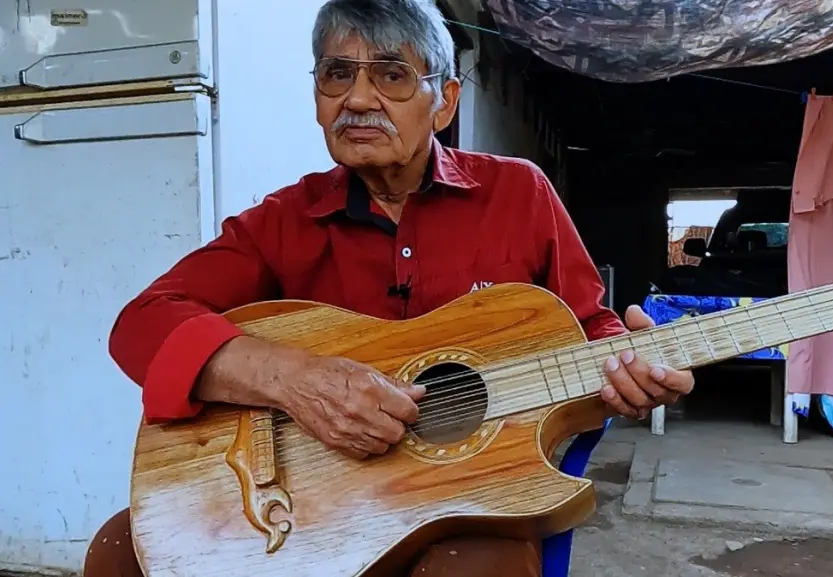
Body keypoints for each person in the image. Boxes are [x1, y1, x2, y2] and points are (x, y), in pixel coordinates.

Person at [81, 1, 695, 575]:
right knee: (121, 553)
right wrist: (295, 382)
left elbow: (590, 328)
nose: (358, 98)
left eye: (392, 76)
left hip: (473, 492)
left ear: (445, 102)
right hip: (315, 502)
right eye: (337, 74)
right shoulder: (286, 219)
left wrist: (631, 369)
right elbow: (141, 323)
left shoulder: (518, 194)